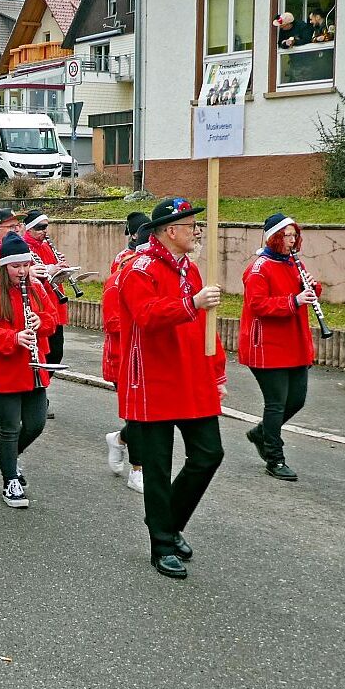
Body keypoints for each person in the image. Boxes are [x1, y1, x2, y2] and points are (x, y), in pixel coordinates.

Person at [117, 197, 227, 580]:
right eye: (191, 225)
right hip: (152, 380)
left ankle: (169, 521)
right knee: (158, 467)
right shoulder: (138, 269)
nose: (197, 231)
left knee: (209, 454)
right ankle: (161, 545)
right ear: (170, 231)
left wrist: (217, 372)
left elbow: (204, 326)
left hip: (191, 376)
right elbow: (147, 316)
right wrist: (191, 302)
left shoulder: (191, 269)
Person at [0, 233, 57, 508]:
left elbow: (52, 319)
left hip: (33, 366)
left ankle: (7, 456)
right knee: (10, 429)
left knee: (36, 424)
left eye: (25, 265)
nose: (22, 271)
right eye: (15, 266)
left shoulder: (35, 286)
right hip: (2, 368)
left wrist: (40, 321)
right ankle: (10, 480)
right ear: (4, 265)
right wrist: (13, 337)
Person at [238, 214, 319, 482]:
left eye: (294, 235)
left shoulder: (293, 263)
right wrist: (293, 301)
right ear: (274, 238)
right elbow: (258, 304)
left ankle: (261, 433)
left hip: (293, 343)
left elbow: (305, 293)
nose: (292, 240)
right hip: (266, 345)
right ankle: (275, 458)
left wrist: (311, 288)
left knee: (297, 400)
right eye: (287, 235)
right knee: (276, 404)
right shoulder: (259, 268)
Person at [102, 212, 150, 494]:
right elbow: (112, 322)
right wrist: (148, 322)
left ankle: (119, 439)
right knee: (139, 417)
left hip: (149, 357)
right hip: (122, 358)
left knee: (146, 417)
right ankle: (137, 470)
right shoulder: (119, 276)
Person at [22, 210, 70, 417]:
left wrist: (61, 269)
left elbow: (52, 274)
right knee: (43, 355)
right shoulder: (24, 247)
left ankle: (37, 392)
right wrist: (46, 271)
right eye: (40, 228)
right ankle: (36, 396)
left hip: (54, 305)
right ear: (29, 229)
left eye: (46, 227)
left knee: (56, 354)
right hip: (38, 307)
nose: (44, 231)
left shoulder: (46, 246)